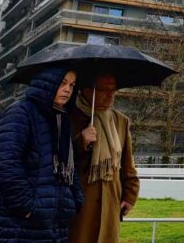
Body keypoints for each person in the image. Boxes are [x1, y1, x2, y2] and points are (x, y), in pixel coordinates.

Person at [0, 67, 83, 243]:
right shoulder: (21, 112)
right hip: (17, 224)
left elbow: (69, 166)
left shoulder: (61, 119)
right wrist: (27, 207)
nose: (68, 90)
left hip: (54, 224)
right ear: (46, 84)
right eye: (62, 83)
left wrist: (75, 199)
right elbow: (4, 164)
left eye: (72, 85)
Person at [68, 73, 140, 243]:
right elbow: (58, 159)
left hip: (111, 204)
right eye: (104, 90)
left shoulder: (120, 121)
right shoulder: (69, 117)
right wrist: (80, 142)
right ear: (86, 90)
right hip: (80, 205)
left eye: (113, 90)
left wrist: (130, 196)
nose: (111, 95)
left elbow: (127, 164)